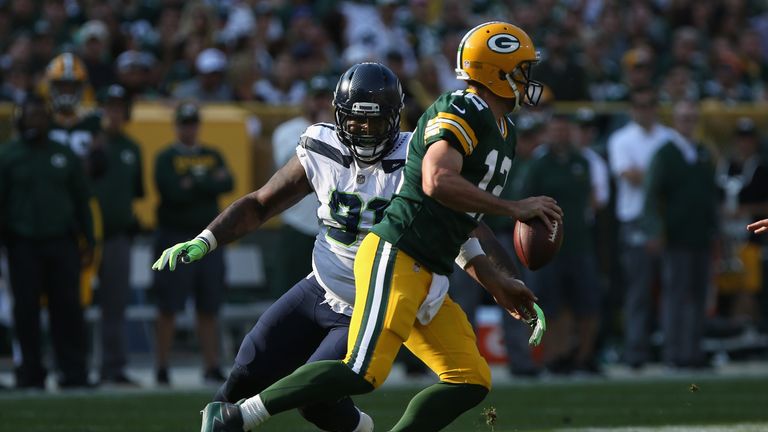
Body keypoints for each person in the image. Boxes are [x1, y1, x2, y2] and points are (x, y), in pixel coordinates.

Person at [197, 22, 562, 432]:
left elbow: (464, 224)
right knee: (359, 372)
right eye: (520, 69)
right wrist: (513, 207)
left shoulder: (503, 130)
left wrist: (497, 282)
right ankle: (240, 415)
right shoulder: (462, 108)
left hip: (429, 271)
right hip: (397, 256)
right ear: (496, 71)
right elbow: (437, 181)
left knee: (471, 382)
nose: (527, 80)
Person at [0, 95, 94, 389]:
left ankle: (73, 372)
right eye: (30, 116)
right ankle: (30, 373)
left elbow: (81, 200)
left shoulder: (63, 154)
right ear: (20, 119)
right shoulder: (8, 155)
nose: (36, 121)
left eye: (41, 116)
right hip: (22, 243)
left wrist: (88, 240)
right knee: (25, 311)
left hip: (61, 243)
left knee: (67, 309)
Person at [152, 102, 234, 385]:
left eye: (193, 123)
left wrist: (193, 183)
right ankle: (161, 366)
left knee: (209, 305)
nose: (189, 128)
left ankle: (211, 365)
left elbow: (227, 183)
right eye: (184, 123)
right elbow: (172, 191)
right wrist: (205, 182)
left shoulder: (212, 154)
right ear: (177, 125)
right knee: (169, 305)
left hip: (207, 238)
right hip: (174, 236)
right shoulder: (166, 157)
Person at [522, 113, 602, 374]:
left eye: (565, 130)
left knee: (588, 302)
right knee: (553, 305)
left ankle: (583, 357)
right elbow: (526, 201)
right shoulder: (539, 164)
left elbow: (592, 197)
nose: (561, 135)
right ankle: (556, 356)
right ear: (548, 133)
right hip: (549, 245)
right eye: (555, 130)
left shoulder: (583, 161)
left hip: (580, 241)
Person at [643, 100, 717, 368]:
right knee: (676, 295)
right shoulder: (665, 153)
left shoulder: (703, 152)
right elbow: (650, 195)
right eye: (684, 118)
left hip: (700, 234)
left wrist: (715, 229)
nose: (688, 122)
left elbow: (710, 197)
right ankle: (674, 353)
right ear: (675, 121)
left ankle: (693, 351)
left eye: (692, 118)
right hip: (675, 236)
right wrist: (654, 230)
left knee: (698, 295)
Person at [607, 85, 674, 369]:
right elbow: (628, 175)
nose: (644, 110)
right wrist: (660, 178)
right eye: (639, 105)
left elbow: (644, 176)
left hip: (668, 219)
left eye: (649, 104)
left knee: (673, 288)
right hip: (635, 218)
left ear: (656, 108)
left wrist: (651, 177)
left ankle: (673, 351)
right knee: (639, 289)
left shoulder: (668, 138)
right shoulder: (621, 139)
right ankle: (636, 351)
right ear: (633, 109)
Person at [91, 84, 144, 385]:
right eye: (108, 107)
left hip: (117, 236)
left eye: (118, 107)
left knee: (115, 304)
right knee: (73, 303)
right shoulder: (88, 143)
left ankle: (113, 367)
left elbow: (137, 192)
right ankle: (71, 367)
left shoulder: (131, 148)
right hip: (83, 238)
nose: (113, 113)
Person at [266, 75, 333, 296]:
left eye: (325, 98)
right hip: (296, 223)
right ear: (306, 100)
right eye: (316, 98)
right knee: (288, 294)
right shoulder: (288, 130)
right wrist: (321, 129)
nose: (320, 104)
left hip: (330, 227)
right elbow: (292, 165)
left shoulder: (340, 131)